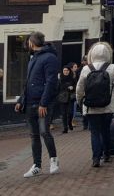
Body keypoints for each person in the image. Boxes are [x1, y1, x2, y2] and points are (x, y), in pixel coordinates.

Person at [14, 32, 60, 177]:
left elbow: (51, 82)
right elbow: (28, 83)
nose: (27, 45)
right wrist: (21, 101)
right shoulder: (33, 58)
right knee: (34, 135)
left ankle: (54, 160)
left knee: (44, 132)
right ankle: (37, 165)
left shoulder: (50, 58)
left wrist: (44, 103)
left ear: (32, 42)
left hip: (42, 103)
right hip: (30, 103)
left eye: (28, 42)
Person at [76, 42, 114, 167]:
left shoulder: (86, 69)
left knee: (94, 132)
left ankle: (95, 158)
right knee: (105, 131)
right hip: (107, 106)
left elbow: (79, 88)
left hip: (90, 106)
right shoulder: (112, 68)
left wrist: (79, 101)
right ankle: (107, 154)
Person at [58, 65, 77, 133]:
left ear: (69, 71)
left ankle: (69, 123)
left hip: (70, 97)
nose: (66, 72)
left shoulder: (73, 78)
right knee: (63, 113)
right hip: (62, 98)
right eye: (64, 70)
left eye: (67, 70)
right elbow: (58, 88)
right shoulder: (60, 79)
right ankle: (65, 128)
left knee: (70, 113)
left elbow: (76, 86)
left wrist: (73, 88)